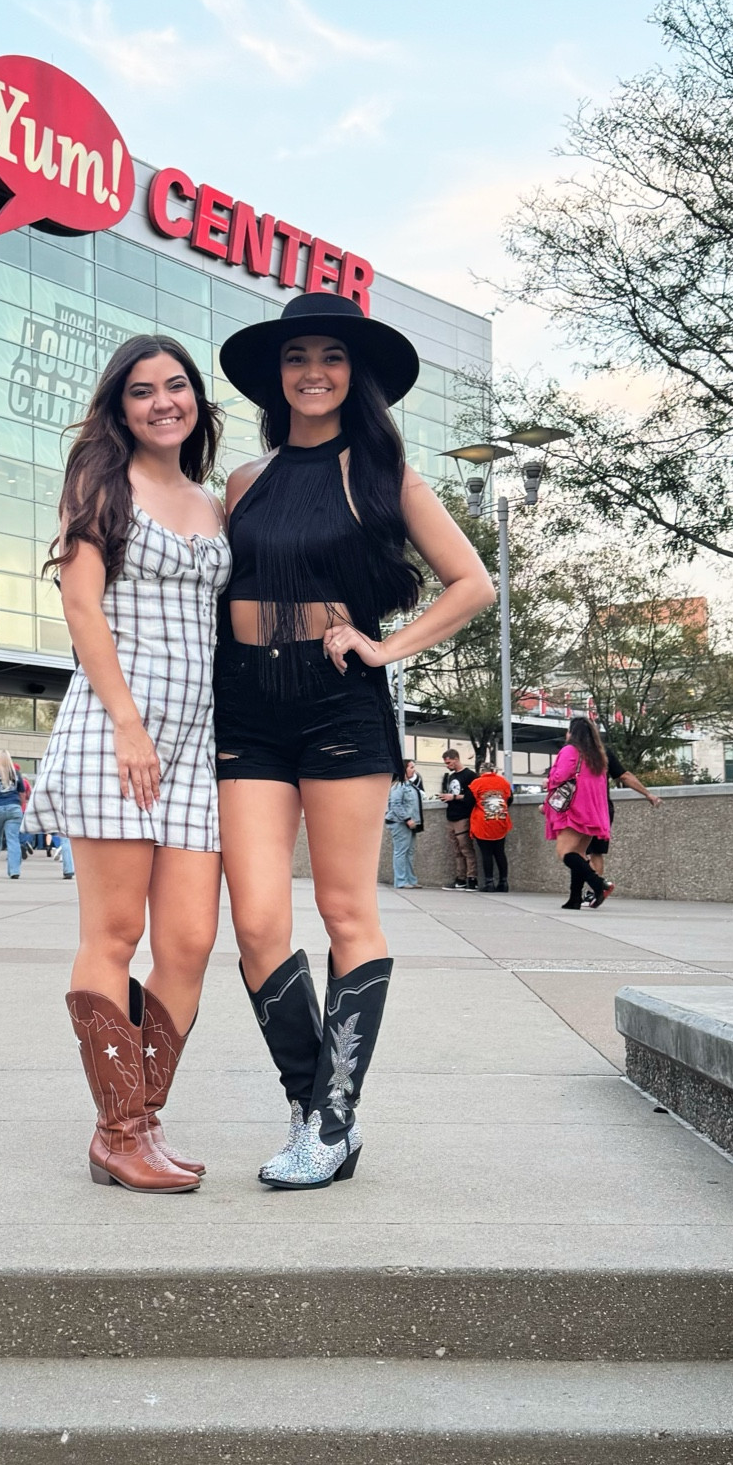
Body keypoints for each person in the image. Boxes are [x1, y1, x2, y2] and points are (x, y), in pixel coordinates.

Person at [216, 290, 495, 1191]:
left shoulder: (385, 475)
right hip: (247, 705)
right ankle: (314, 1104)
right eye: (297, 358)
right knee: (257, 920)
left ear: (355, 374)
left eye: (331, 357)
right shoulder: (244, 484)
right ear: (277, 376)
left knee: (344, 912)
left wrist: (385, 647)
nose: (313, 373)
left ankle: (332, 1120)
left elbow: (471, 585)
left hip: (340, 705)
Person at [31, 333, 229, 1194]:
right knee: (113, 936)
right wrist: (126, 721)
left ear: (196, 401)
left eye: (176, 386)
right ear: (120, 407)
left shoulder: (218, 504)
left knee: (188, 942)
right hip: (119, 739)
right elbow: (82, 603)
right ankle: (123, 1127)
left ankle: (134, 1120)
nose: (162, 402)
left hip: (197, 749)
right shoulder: (102, 484)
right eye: (142, 391)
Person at [581, 735, 661, 900]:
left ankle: (596, 888)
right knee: (594, 852)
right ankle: (595, 890)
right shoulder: (603, 753)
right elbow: (624, 776)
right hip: (601, 809)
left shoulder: (575, 754)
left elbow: (624, 776)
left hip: (584, 810)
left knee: (578, 851)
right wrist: (648, 794)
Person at [546, 716, 614, 908]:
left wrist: (549, 779)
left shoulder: (570, 750)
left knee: (565, 853)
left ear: (572, 733)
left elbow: (560, 775)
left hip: (574, 808)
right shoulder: (597, 756)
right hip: (593, 809)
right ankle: (574, 898)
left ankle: (599, 885)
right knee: (578, 853)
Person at [469, 755, 513, 890]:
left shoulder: (476, 783)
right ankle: (503, 883)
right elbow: (509, 799)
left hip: (483, 822)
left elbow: (468, 802)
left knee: (486, 853)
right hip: (500, 820)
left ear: (481, 771)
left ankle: (489, 883)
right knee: (500, 852)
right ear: (494, 771)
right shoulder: (504, 782)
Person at [0, 752, 29, 879]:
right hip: (14, 808)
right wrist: (21, 806)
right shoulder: (16, 774)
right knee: (13, 839)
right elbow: (22, 794)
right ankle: (14, 870)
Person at [439, 747, 479, 889]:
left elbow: (473, 796)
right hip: (451, 815)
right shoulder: (451, 776)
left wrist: (454, 797)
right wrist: (447, 797)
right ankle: (460, 878)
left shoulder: (470, 775)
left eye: (449, 763)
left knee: (466, 848)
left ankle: (472, 878)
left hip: (463, 816)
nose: (448, 765)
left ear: (456, 759)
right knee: (457, 850)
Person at [385, 769, 423, 889]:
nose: (414, 770)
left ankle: (410, 879)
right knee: (401, 852)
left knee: (409, 852)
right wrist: (407, 818)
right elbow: (395, 804)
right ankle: (401, 881)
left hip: (410, 823)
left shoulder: (410, 785)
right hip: (400, 823)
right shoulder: (399, 786)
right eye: (411, 767)